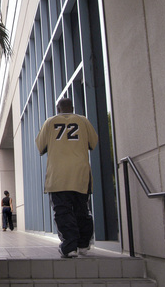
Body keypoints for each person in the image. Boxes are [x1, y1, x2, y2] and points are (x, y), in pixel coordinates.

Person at [35, 98, 98, 258]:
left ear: (58, 109)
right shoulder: (83, 121)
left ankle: (70, 246)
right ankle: (83, 244)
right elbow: (93, 142)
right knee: (82, 209)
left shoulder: (49, 122)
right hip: (80, 173)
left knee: (62, 210)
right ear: (73, 108)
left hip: (58, 175)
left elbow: (40, 146)